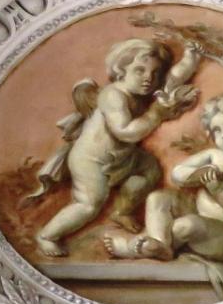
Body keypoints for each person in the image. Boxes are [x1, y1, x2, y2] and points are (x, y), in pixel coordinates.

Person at [29, 38, 200, 256]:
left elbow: (174, 78)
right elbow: (126, 132)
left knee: (150, 170)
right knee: (89, 204)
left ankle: (122, 211)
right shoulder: (113, 95)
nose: (149, 78)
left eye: (155, 72)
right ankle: (47, 235)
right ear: (121, 70)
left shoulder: (146, 91)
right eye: (140, 70)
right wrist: (156, 113)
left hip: (123, 157)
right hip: (90, 160)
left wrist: (191, 57)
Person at [104, 93, 223, 262]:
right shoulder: (214, 155)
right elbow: (178, 174)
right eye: (217, 130)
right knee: (158, 198)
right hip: (199, 214)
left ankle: (137, 248)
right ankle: (160, 245)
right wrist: (198, 173)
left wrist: (220, 190)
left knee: (186, 225)